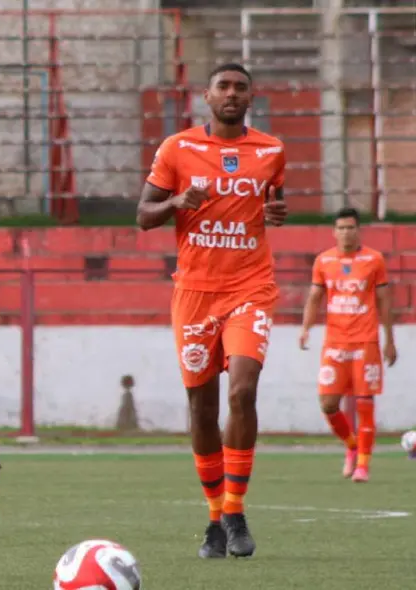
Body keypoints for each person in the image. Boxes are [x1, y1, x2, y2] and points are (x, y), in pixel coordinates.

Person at [135, 62, 288, 559]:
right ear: (207, 96)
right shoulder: (176, 148)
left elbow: (274, 203)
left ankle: (236, 511)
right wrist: (178, 200)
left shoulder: (271, 150)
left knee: (242, 391)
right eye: (223, 86)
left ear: (251, 97)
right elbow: (143, 216)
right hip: (196, 293)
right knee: (202, 407)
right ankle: (214, 518)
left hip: (251, 287)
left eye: (240, 87)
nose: (231, 94)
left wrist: (276, 213)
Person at [299, 207, 396, 482]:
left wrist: (389, 340)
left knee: (365, 402)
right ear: (334, 232)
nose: (346, 233)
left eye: (350, 228)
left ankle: (363, 464)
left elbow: (384, 300)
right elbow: (315, 297)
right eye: (341, 228)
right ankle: (352, 446)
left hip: (366, 341)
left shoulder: (374, 260)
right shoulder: (324, 260)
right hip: (335, 343)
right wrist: (306, 328)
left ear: (358, 230)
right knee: (328, 403)